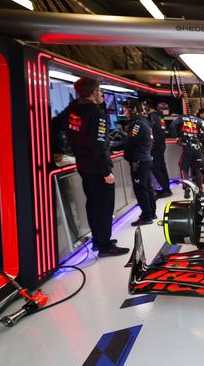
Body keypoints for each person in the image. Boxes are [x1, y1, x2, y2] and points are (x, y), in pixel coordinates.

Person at [62, 77, 128, 257]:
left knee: (93, 206)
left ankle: (99, 241)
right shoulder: (96, 113)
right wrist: (106, 170)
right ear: (93, 93)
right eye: (99, 91)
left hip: (83, 166)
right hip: (98, 168)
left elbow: (58, 125)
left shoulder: (72, 110)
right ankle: (105, 246)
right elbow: (98, 144)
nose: (101, 95)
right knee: (104, 208)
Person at [120, 99, 156, 226]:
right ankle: (151, 213)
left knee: (141, 190)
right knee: (147, 188)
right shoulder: (143, 122)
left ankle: (146, 216)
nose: (124, 113)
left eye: (125, 110)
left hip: (139, 161)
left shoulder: (137, 124)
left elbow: (129, 142)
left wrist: (112, 145)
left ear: (133, 110)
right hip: (144, 160)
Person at [174, 113, 204, 199]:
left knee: (183, 167)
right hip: (197, 147)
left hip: (187, 147)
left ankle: (186, 187)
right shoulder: (199, 120)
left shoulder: (181, 118)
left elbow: (172, 126)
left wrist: (177, 137)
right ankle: (200, 190)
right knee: (198, 168)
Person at [144, 101, 172, 198]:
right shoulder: (160, 118)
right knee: (162, 167)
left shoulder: (153, 117)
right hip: (161, 146)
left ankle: (166, 189)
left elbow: (150, 130)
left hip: (156, 146)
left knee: (156, 168)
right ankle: (166, 188)